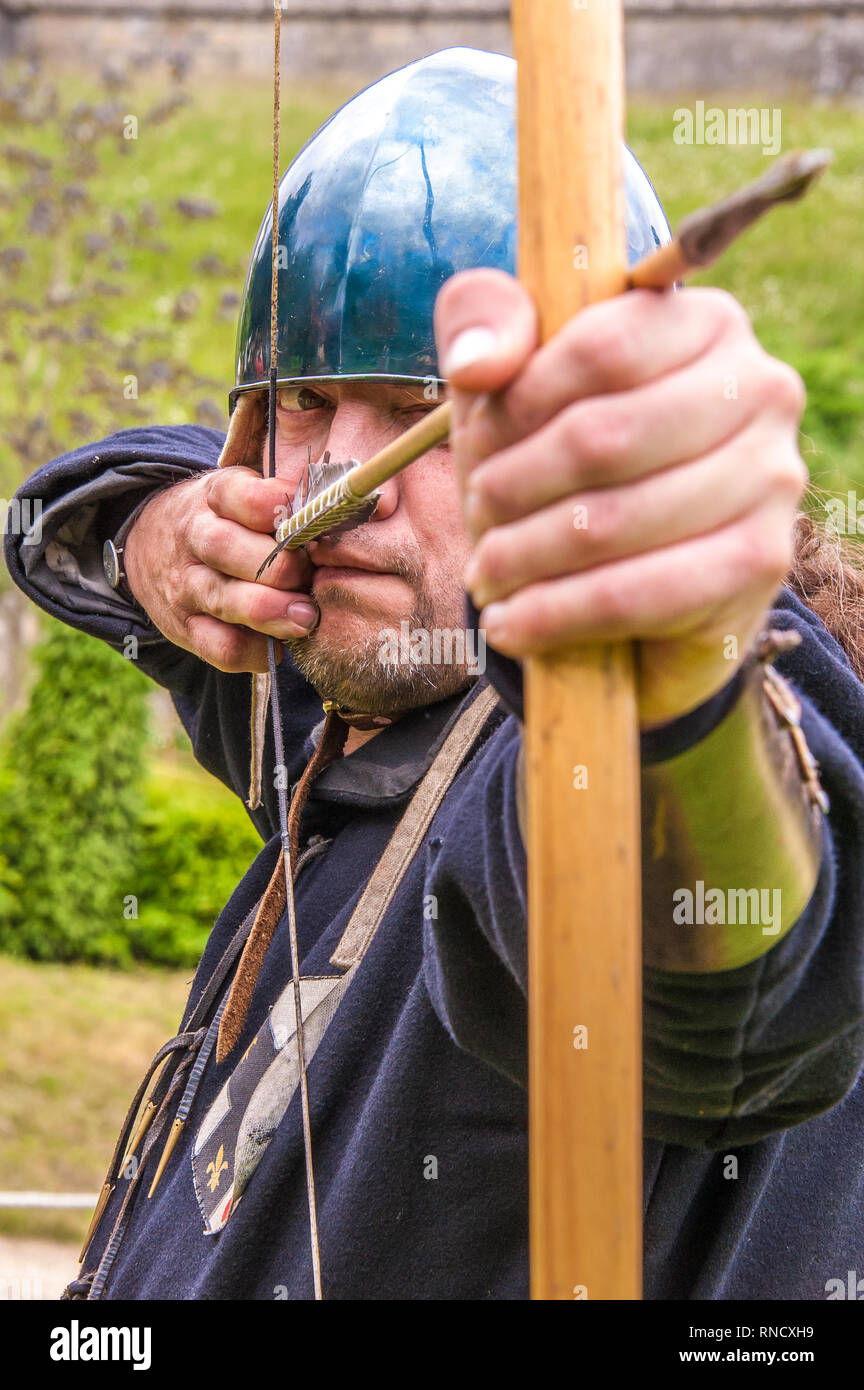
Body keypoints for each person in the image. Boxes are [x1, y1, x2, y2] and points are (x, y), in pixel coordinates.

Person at [6, 48, 864, 1302]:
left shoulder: (536, 763)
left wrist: (668, 659)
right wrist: (164, 532)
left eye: (424, 407)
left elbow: (722, 979)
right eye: (305, 400)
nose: (332, 487)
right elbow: (48, 528)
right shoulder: (333, 705)